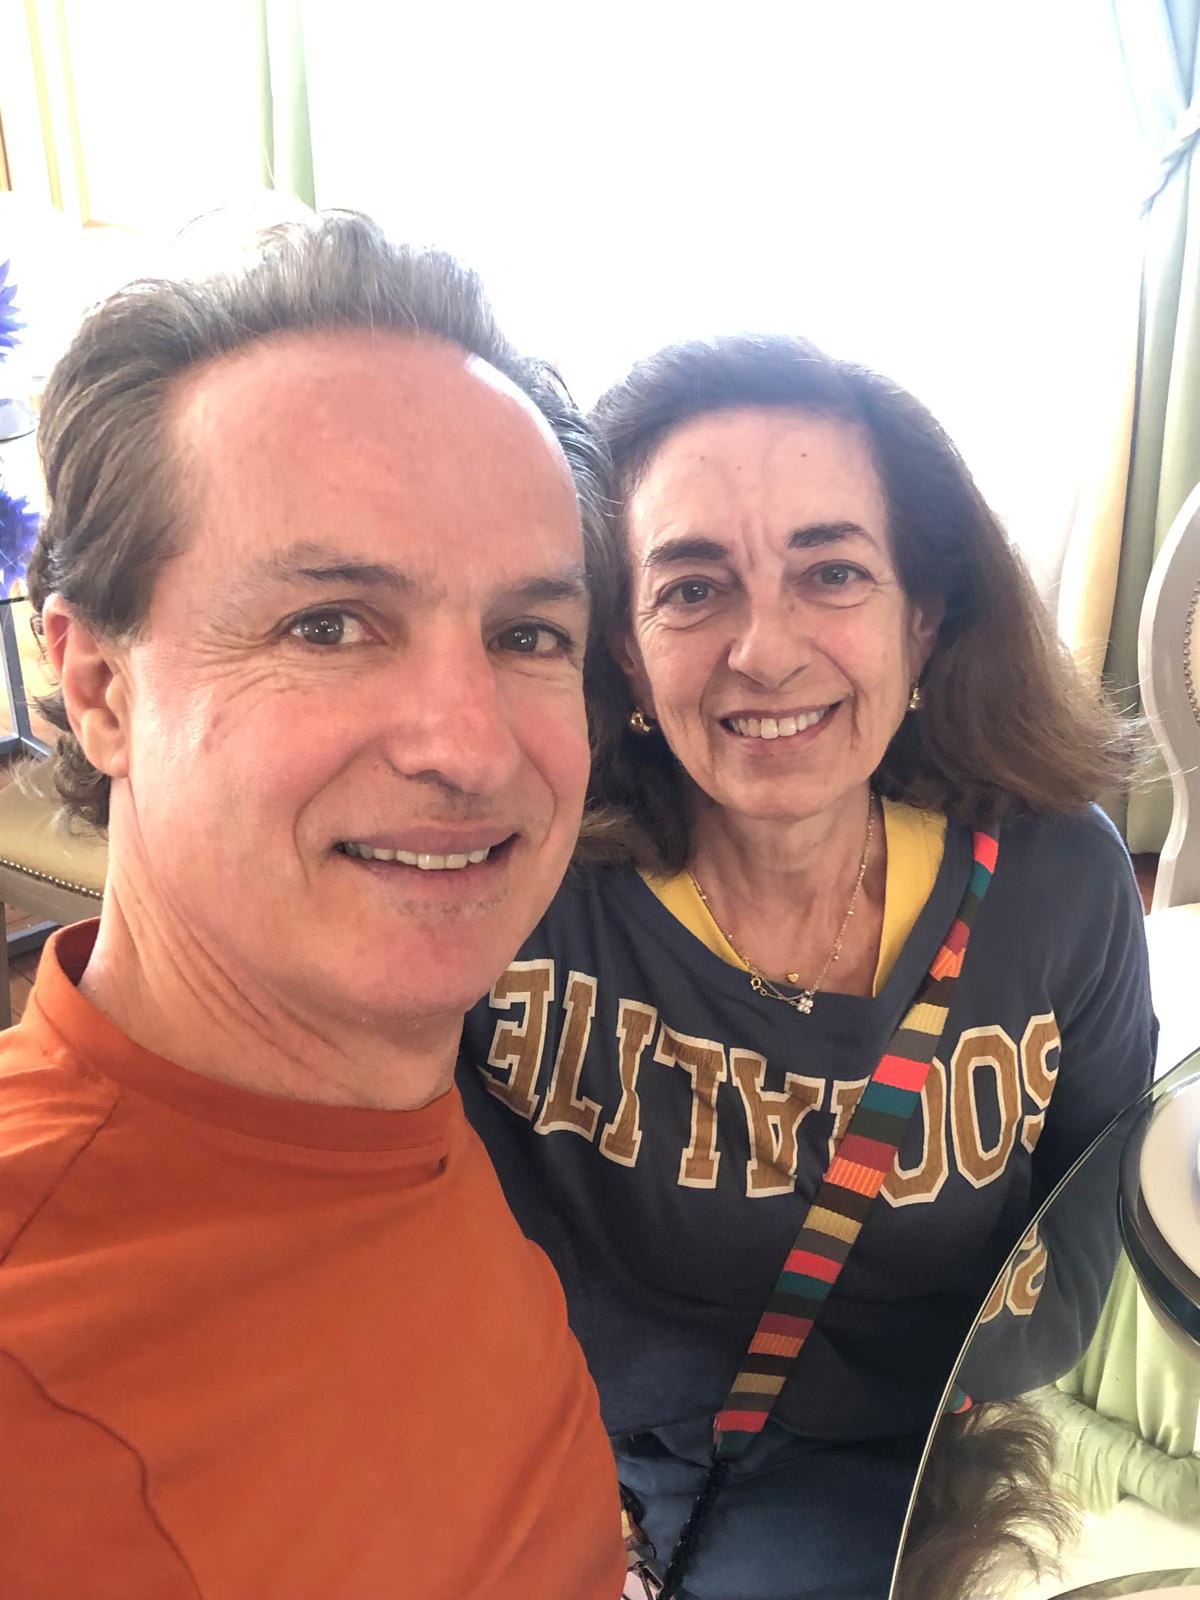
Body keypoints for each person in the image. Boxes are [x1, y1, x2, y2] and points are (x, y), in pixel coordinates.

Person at [458, 334, 1156, 1598]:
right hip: (525, 1446)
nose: (764, 651)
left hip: (868, 1478)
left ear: (922, 618)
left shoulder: (1057, 883)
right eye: (691, 588)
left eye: (831, 571)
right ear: (623, 650)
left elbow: (1083, 1243)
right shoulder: (518, 881)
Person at [0, 214, 627, 1599]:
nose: (469, 747)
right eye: (328, 625)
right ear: (99, 689)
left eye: (528, 635)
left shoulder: (403, 1097)